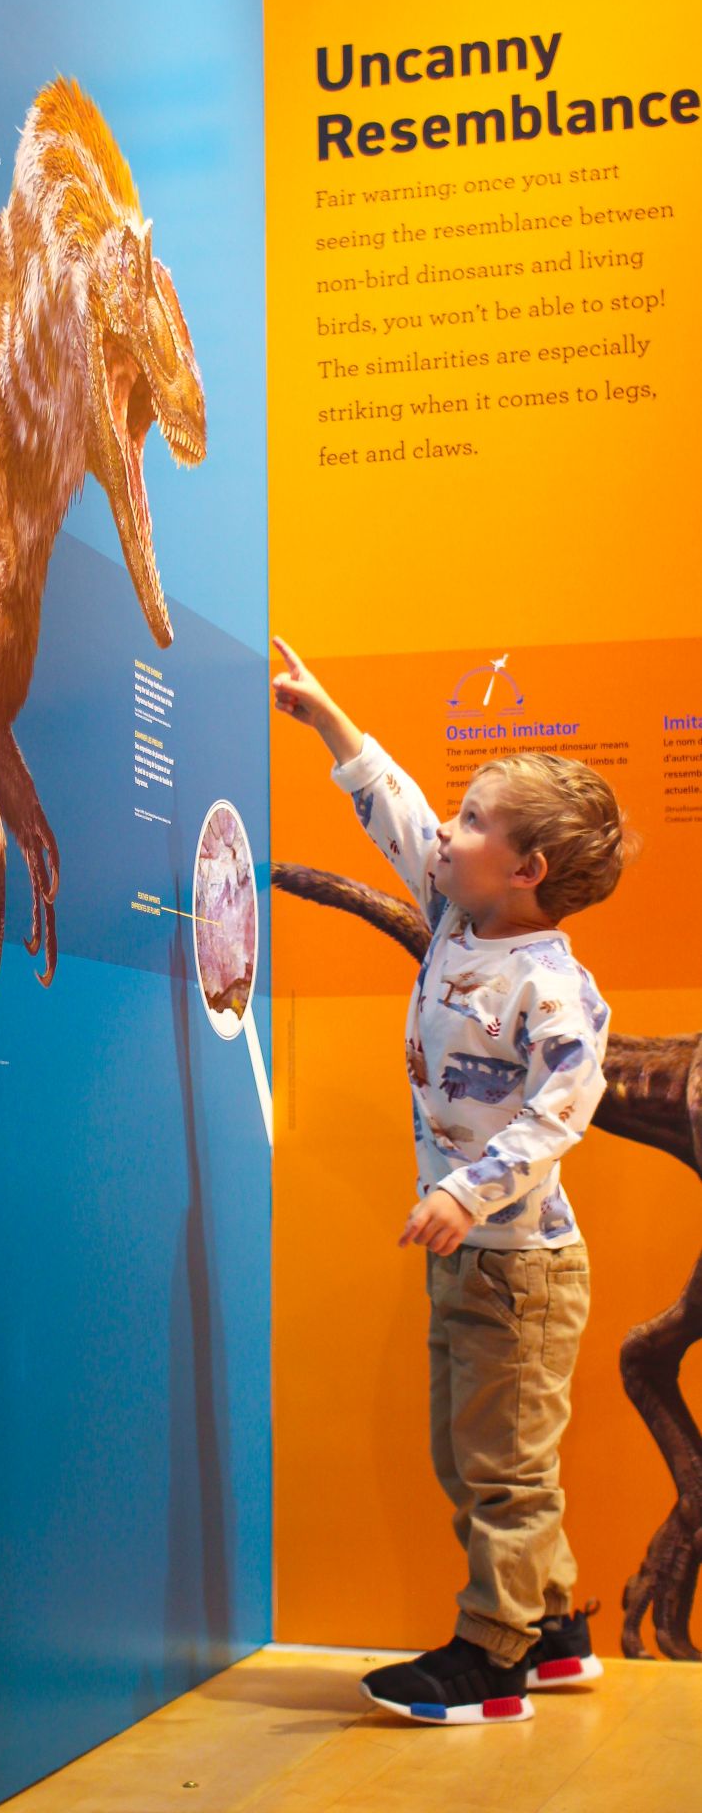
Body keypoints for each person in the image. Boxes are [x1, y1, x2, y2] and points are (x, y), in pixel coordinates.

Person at [272, 635, 632, 1726]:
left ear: (525, 868)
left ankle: (493, 1657)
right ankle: (555, 1625)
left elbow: (560, 1107)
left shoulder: (547, 986)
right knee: (475, 1451)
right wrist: (331, 721)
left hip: (517, 1269)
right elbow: (395, 816)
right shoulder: (454, 919)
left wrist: (464, 1191)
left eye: (472, 821)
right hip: (477, 1259)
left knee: (500, 1469)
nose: (446, 832)